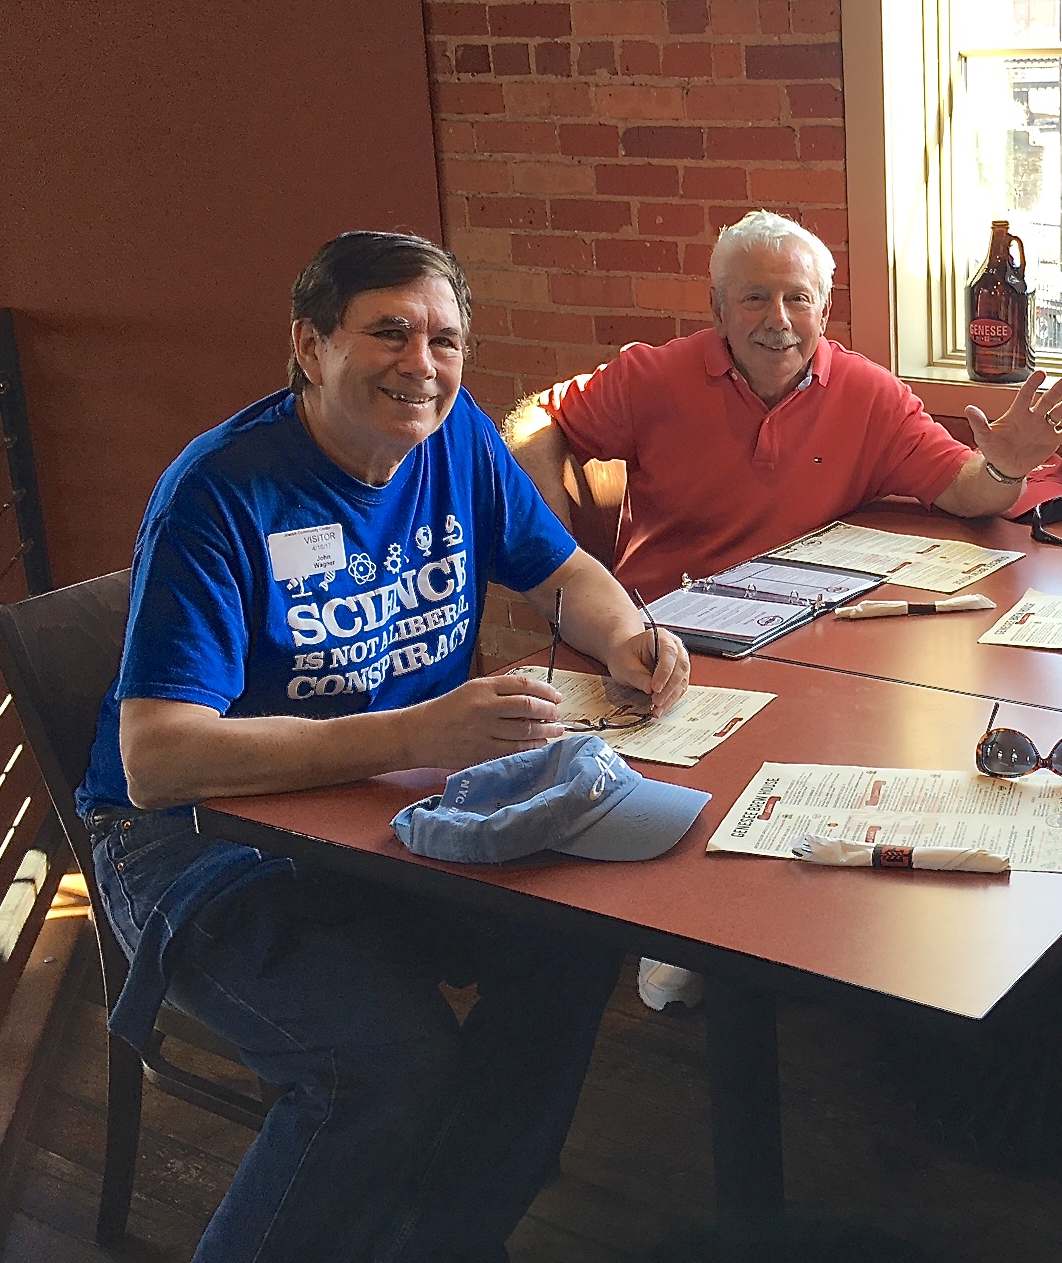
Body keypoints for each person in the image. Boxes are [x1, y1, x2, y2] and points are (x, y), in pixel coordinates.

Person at [77, 231, 691, 1263]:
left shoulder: (455, 444)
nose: (424, 364)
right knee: (386, 1068)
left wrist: (628, 631)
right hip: (195, 846)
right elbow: (159, 759)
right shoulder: (221, 491)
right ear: (310, 348)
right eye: (389, 332)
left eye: (446, 339)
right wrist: (411, 734)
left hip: (389, 812)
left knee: (574, 944)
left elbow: (561, 570)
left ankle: (447, 1235)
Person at [505, 209, 1062, 597]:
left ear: (825, 311)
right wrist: (562, 561)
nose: (778, 321)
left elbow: (967, 490)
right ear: (718, 310)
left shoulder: (870, 396)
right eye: (755, 298)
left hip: (801, 629)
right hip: (661, 624)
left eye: (797, 299)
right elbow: (538, 420)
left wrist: (1004, 468)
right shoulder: (651, 376)